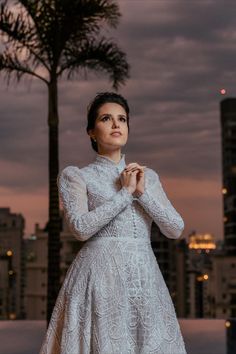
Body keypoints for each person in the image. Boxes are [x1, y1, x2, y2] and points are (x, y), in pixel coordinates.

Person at [39, 92, 187, 354]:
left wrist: (141, 192)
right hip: (99, 280)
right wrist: (125, 193)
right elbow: (81, 229)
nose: (116, 125)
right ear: (91, 132)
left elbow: (175, 228)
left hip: (145, 280)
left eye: (122, 119)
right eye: (106, 118)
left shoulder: (147, 177)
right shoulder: (76, 176)